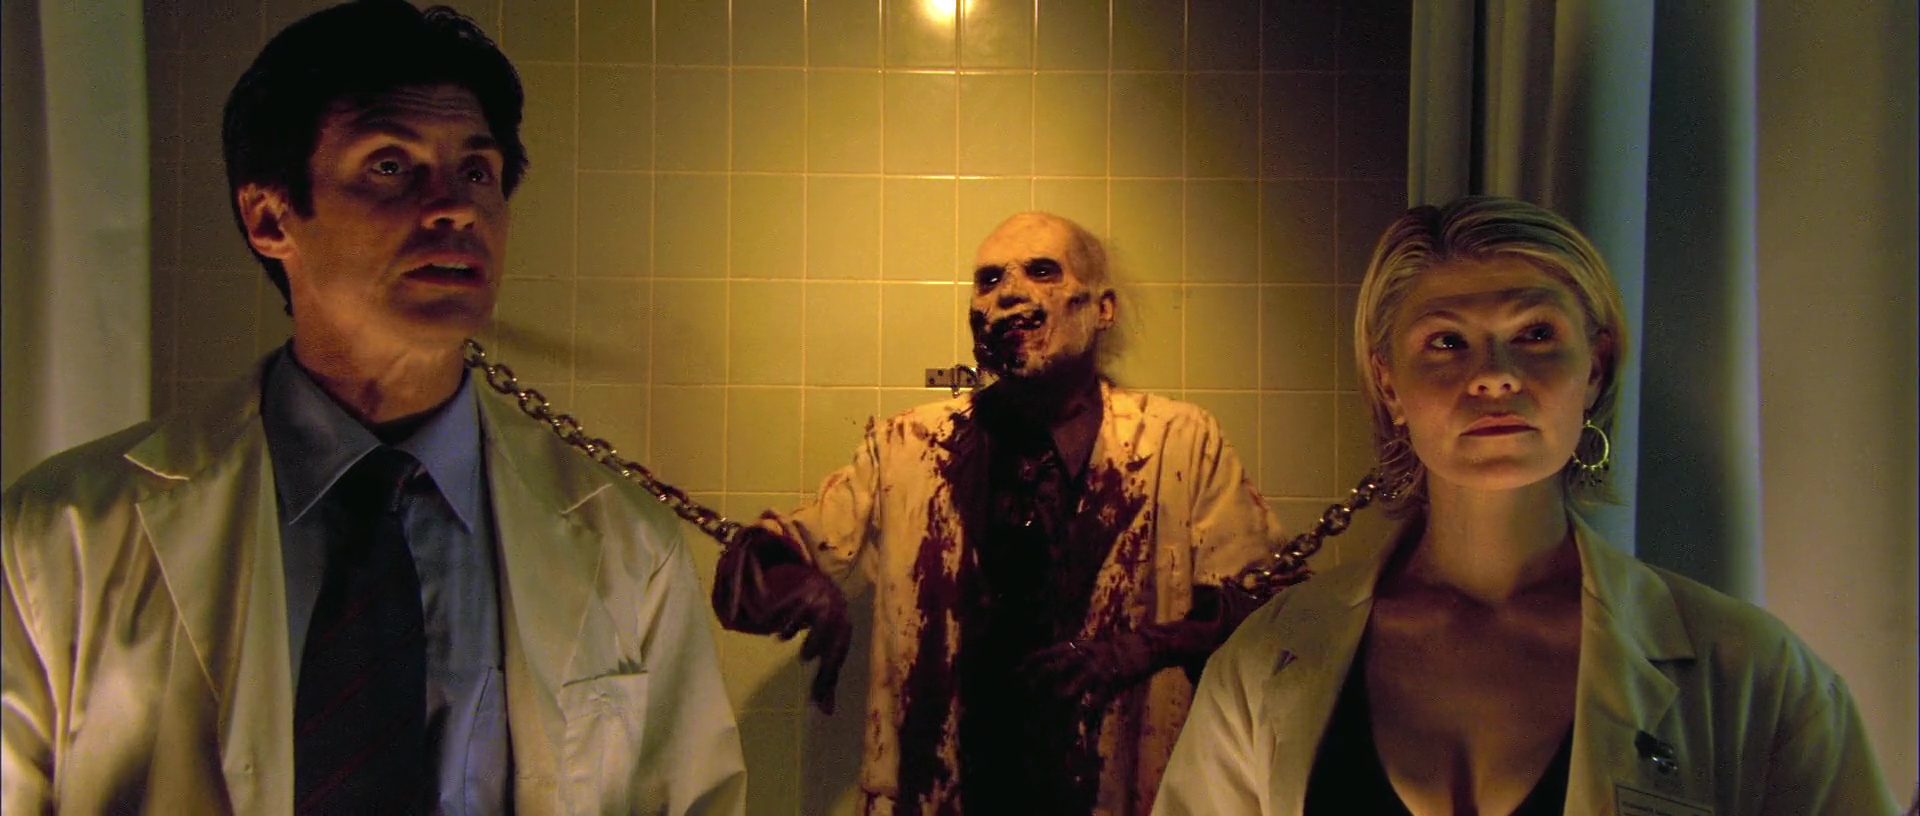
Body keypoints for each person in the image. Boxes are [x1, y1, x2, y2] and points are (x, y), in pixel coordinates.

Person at [0, 2, 744, 812]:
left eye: (478, 172)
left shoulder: (627, 546)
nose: (455, 206)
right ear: (269, 216)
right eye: (391, 166)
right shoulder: (65, 533)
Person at [1153, 196, 1898, 815]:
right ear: (1388, 384)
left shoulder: (1752, 675)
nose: (1495, 376)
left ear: (1595, 367)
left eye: (1536, 334)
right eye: (1447, 342)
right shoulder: (1267, 664)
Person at [711, 211, 1289, 814]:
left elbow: (1266, 614)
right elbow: (747, 575)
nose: (1009, 292)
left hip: (1122, 792)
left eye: (1042, 271)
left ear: (1103, 309)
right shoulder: (909, 447)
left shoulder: (1180, 443)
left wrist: (1136, 652)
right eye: (988, 280)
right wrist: (799, 587)